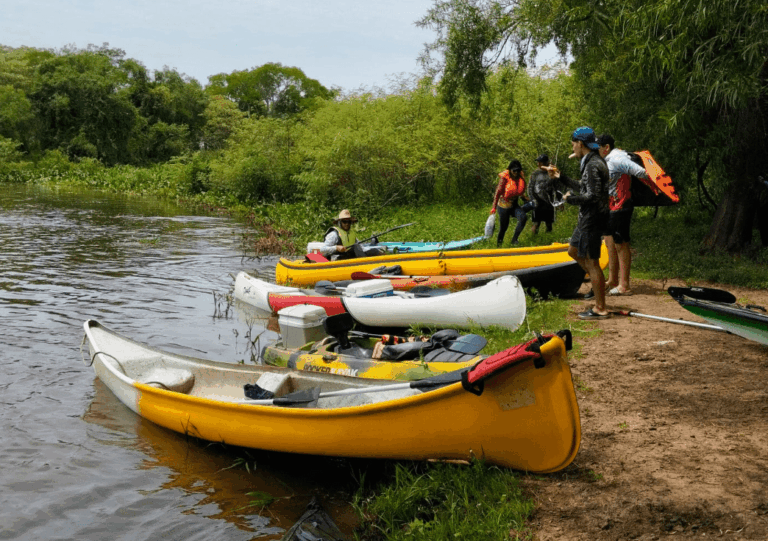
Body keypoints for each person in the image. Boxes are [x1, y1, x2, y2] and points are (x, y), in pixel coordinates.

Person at [545, 126, 610, 319]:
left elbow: (592, 195)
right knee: (573, 251)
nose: (572, 147)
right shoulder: (591, 161)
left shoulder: (592, 164)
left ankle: (600, 308)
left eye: (573, 143)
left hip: (592, 219)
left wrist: (570, 199)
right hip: (586, 220)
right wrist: (561, 178)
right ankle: (598, 287)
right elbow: (585, 186)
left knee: (592, 263)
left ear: (580, 143)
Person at [596, 134, 650, 296]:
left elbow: (641, 172)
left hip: (621, 205)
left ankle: (624, 286)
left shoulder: (617, 158)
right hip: (610, 206)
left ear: (606, 148)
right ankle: (612, 280)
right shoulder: (608, 158)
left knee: (621, 244)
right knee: (609, 242)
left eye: (597, 147)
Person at [490, 160, 528, 246]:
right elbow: (497, 193)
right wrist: (494, 207)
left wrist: (527, 199)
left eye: (518, 170)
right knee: (504, 227)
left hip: (514, 205)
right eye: (514, 170)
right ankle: (499, 245)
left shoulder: (520, 177)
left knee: (523, 217)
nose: (516, 172)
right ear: (510, 170)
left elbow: (520, 192)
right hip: (503, 206)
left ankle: (514, 240)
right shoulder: (504, 178)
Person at [526, 154, 557, 234]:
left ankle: (548, 241)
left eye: (541, 162)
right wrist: (533, 199)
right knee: (536, 223)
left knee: (549, 223)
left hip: (549, 201)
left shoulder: (552, 172)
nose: (538, 164)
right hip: (537, 201)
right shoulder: (535, 173)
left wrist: (559, 201)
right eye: (538, 162)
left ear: (546, 163)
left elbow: (556, 187)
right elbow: (530, 187)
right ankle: (534, 241)